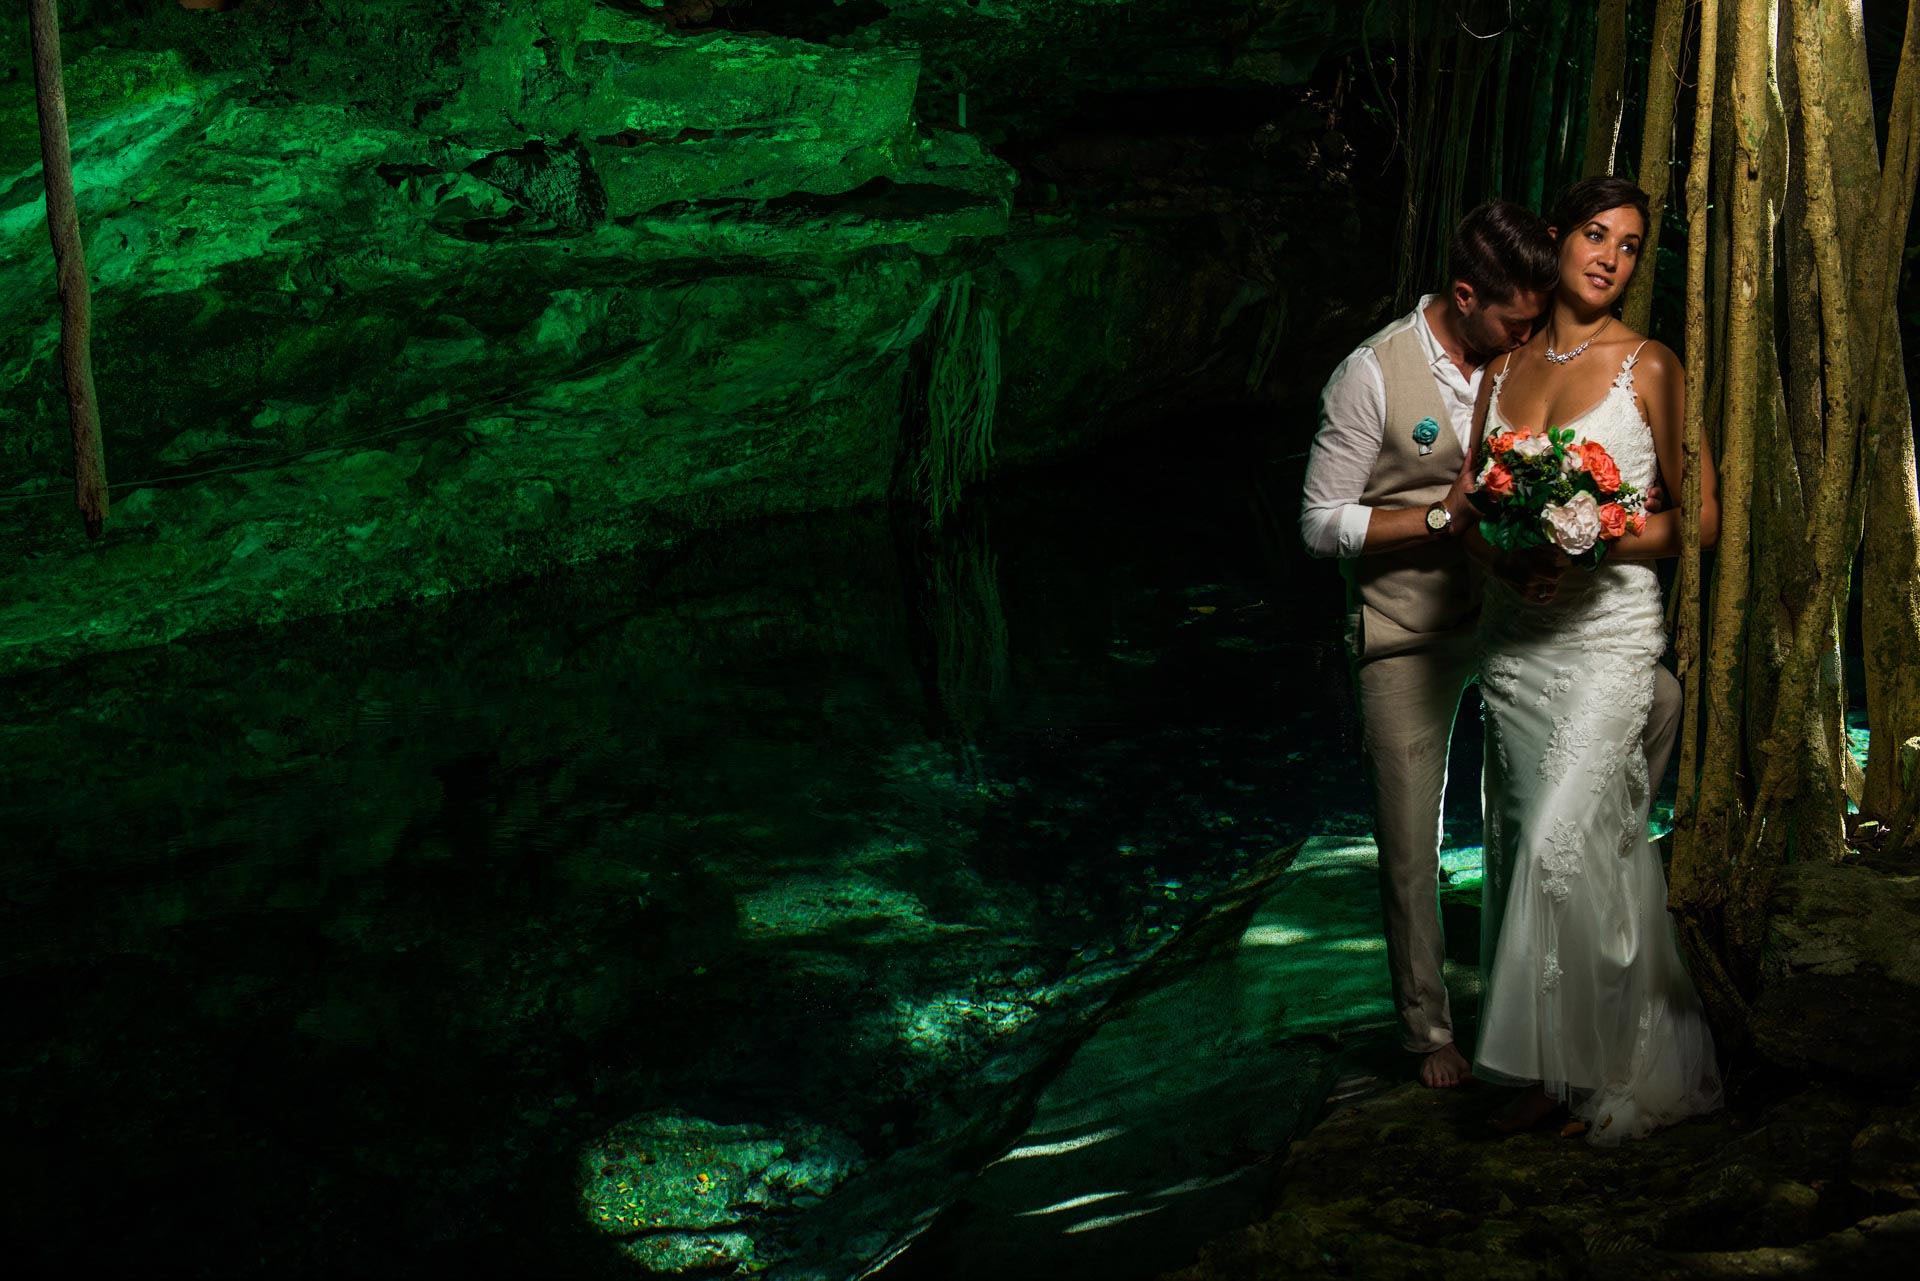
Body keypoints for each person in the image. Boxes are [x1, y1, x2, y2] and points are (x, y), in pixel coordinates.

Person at [1467, 175, 1724, 1142]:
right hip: (1515, 647)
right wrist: (1505, 548)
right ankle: (1550, 1070)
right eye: (1595, 234)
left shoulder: (1651, 364)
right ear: (1556, 238)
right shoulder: (1503, 368)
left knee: (1560, 845)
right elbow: (1469, 511)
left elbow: (1698, 517)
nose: (1611, 257)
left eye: (1628, 246)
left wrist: (1590, 540)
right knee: (1534, 847)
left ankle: (1609, 1064)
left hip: (1609, 635)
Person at [1300, 202, 1558, 1089]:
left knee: (1527, 808)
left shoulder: (1519, 359)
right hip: (1403, 633)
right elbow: (1318, 523)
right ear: (1464, 294)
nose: (1528, 334)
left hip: (1503, 618)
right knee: (1412, 841)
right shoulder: (1369, 375)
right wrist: (1440, 515)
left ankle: (1522, 996)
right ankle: (1427, 1029)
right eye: (1515, 320)